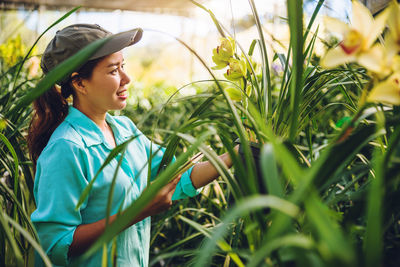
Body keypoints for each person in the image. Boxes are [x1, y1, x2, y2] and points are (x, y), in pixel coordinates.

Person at [28, 24, 235, 267]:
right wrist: (139, 210)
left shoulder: (124, 130)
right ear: (80, 83)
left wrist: (235, 155)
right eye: (114, 70)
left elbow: (178, 175)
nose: (127, 79)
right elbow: (56, 245)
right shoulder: (67, 147)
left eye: (123, 66)